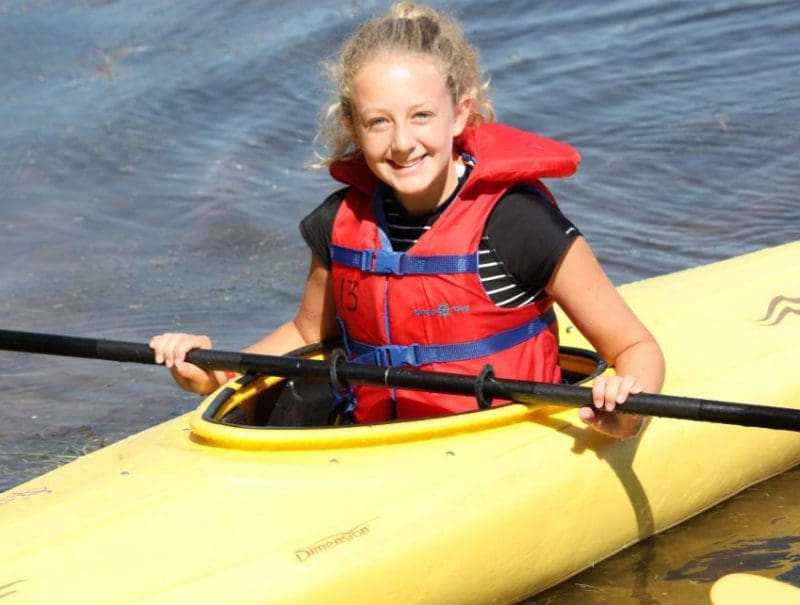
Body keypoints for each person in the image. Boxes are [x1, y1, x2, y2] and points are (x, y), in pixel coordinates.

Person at [150, 1, 665, 439]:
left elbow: (635, 347)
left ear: (460, 113)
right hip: (375, 441)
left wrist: (627, 411)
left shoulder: (517, 224)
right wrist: (215, 372)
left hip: (504, 440)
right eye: (379, 122)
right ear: (352, 124)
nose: (402, 142)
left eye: (421, 115)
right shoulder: (340, 221)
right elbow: (307, 331)